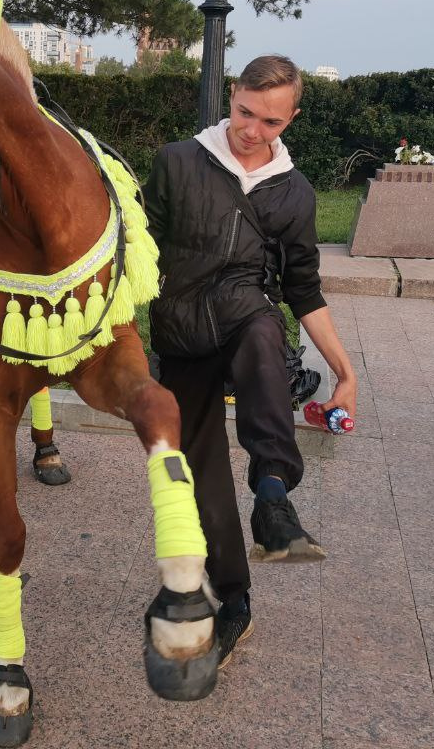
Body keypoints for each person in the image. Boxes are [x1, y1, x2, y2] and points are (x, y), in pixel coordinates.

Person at [143, 54, 357, 668]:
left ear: (289, 119)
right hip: (181, 333)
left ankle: (273, 494)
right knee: (200, 479)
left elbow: (303, 290)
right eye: (244, 112)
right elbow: (138, 252)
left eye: (269, 121)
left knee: (264, 332)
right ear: (231, 95)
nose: (252, 130)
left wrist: (344, 369)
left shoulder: (294, 194)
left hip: (245, 321)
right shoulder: (177, 162)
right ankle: (234, 598)